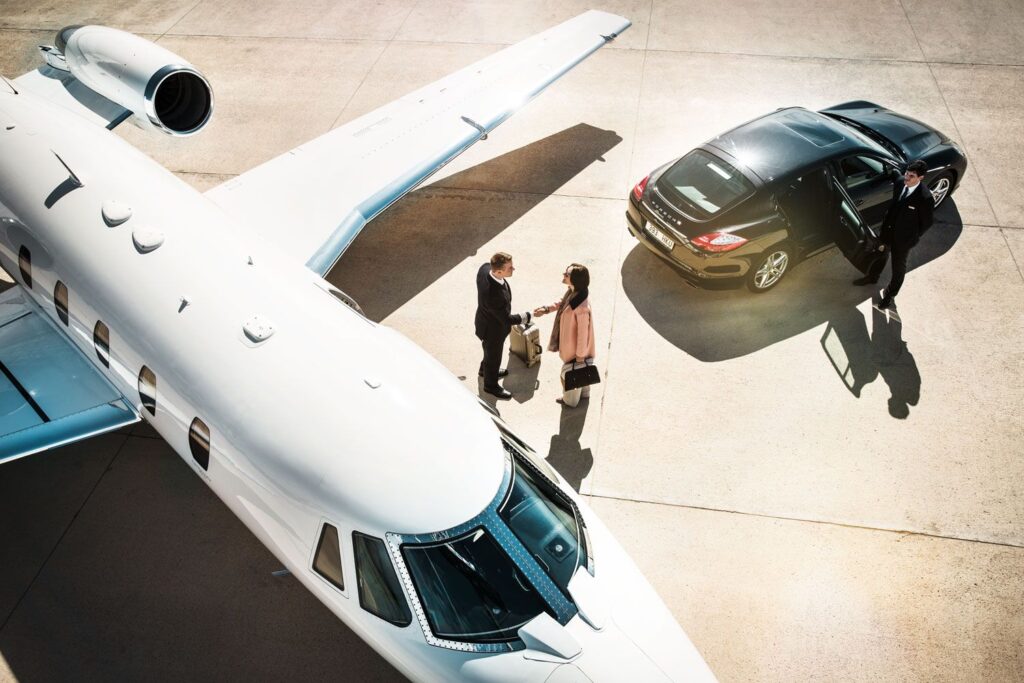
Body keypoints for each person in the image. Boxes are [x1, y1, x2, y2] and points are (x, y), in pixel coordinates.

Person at [853, 159, 934, 309]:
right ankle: (872, 277)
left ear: (921, 178)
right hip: (887, 232)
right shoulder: (900, 182)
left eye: (911, 176)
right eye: (907, 173)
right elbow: (895, 172)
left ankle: (890, 295)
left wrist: (912, 238)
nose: (907, 178)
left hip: (903, 240)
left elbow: (927, 223)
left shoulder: (925, 198)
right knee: (879, 255)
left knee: (898, 269)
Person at [533, 264, 595, 408]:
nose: (563, 274)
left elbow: (583, 335)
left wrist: (580, 358)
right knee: (582, 373)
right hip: (573, 348)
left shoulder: (581, 307)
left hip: (575, 351)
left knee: (569, 374)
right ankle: (584, 394)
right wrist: (546, 309)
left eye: (567, 274)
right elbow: (563, 303)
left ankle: (570, 401)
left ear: (575, 279)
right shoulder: (575, 293)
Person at [475, 252, 532, 400]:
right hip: (492, 331)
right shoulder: (494, 295)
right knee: (493, 356)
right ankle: (490, 385)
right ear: (499, 272)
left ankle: (484, 370)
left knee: (489, 353)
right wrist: (528, 316)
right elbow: (506, 319)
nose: (513, 269)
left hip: (485, 321)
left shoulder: (485, 269)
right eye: (510, 268)